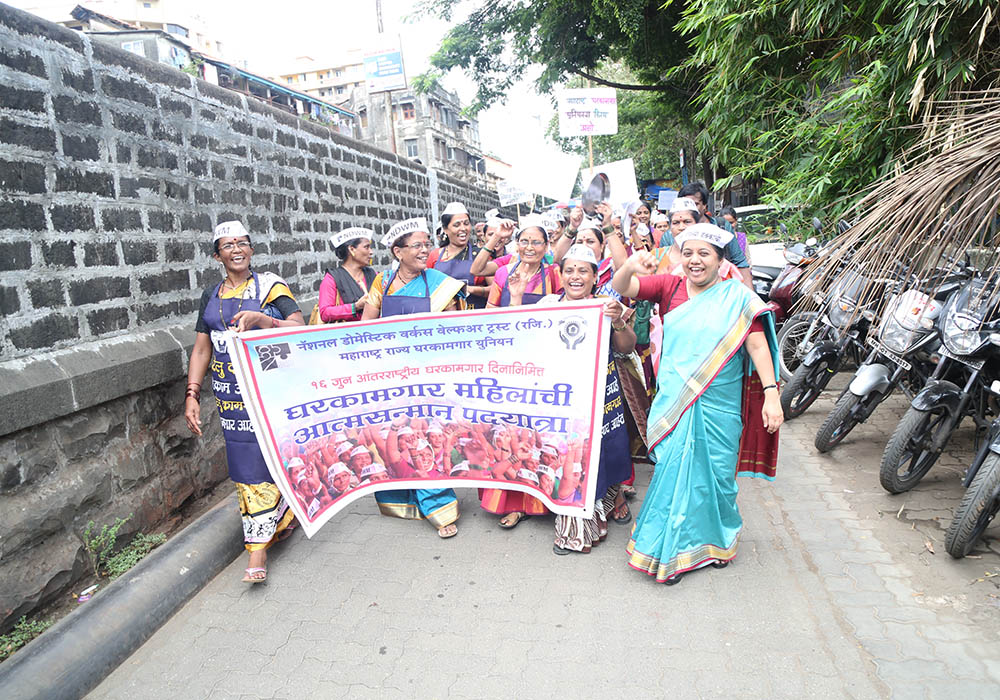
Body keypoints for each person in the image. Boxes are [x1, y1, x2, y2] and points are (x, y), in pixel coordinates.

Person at [612, 223, 783, 585]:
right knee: (672, 476)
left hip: (720, 405)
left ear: (721, 262)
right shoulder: (669, 286)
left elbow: (756, 345)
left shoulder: (737, 297)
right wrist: (631, 264)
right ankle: (667, 552)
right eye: (688, 253)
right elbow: (622, 286)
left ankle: (717, 544)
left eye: (704, 254)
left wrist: (772, 392)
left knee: (717, 480)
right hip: (676, 400)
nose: (695, 261)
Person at [184, 221, 305, 584]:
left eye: (242, 243)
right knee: (244, 459)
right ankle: (272, 526)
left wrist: (265, 320)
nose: (236, 249)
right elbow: (202, 347)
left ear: (251, 249)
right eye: (227, 245)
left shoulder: (271, 286)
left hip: (268, 387)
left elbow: (299, 326)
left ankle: (258, 547)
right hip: (229, 393)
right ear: (216, 255)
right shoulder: (211, 294)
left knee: (268, 456)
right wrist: (192, 393)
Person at [360, 217, 465, 538]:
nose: (425, 251)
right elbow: (366, 325)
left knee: (424, 437)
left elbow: (454, 328)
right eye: (417, 246)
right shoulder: (383, 282)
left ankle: (438, 505)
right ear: (398, 252)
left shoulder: (438, 281)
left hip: (428, 374)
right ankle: (404, 500)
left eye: (426, 245)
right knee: (398, 439)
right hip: (391, 373)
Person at [539, 244, 635, 554]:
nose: (575, 277)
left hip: (600, 395)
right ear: (560, 275)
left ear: (595, 277)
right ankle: (573, 532)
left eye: (583, 271)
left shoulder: (605, 306)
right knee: (571, 457)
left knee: (604, 452)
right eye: (569, 270)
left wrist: (618, 319)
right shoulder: (546, 305)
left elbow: (627, 347)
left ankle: (603, 509)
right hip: (562, 401)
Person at [660, 182, 752, 287]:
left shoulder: (721, 226)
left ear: (704, 206)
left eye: (695, 204)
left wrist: (750, 298)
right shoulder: (668, 237)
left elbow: (740, 262)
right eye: (676, 223)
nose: (681, 227)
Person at [427, 202, 491, 308]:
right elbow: (426, 288)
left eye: (466, 223)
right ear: (446, 229)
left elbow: (496, 289)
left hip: (476, 317)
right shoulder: (434, 256)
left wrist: (469, 289)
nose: (463, 228)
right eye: (457, 225)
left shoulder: (481, 254)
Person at [315, 227, 376, 323]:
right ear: (352, 249)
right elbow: (325, 313)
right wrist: (355, 307)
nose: (371, 252)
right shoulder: (332, 278)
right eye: (366, 247)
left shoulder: (373, 274)